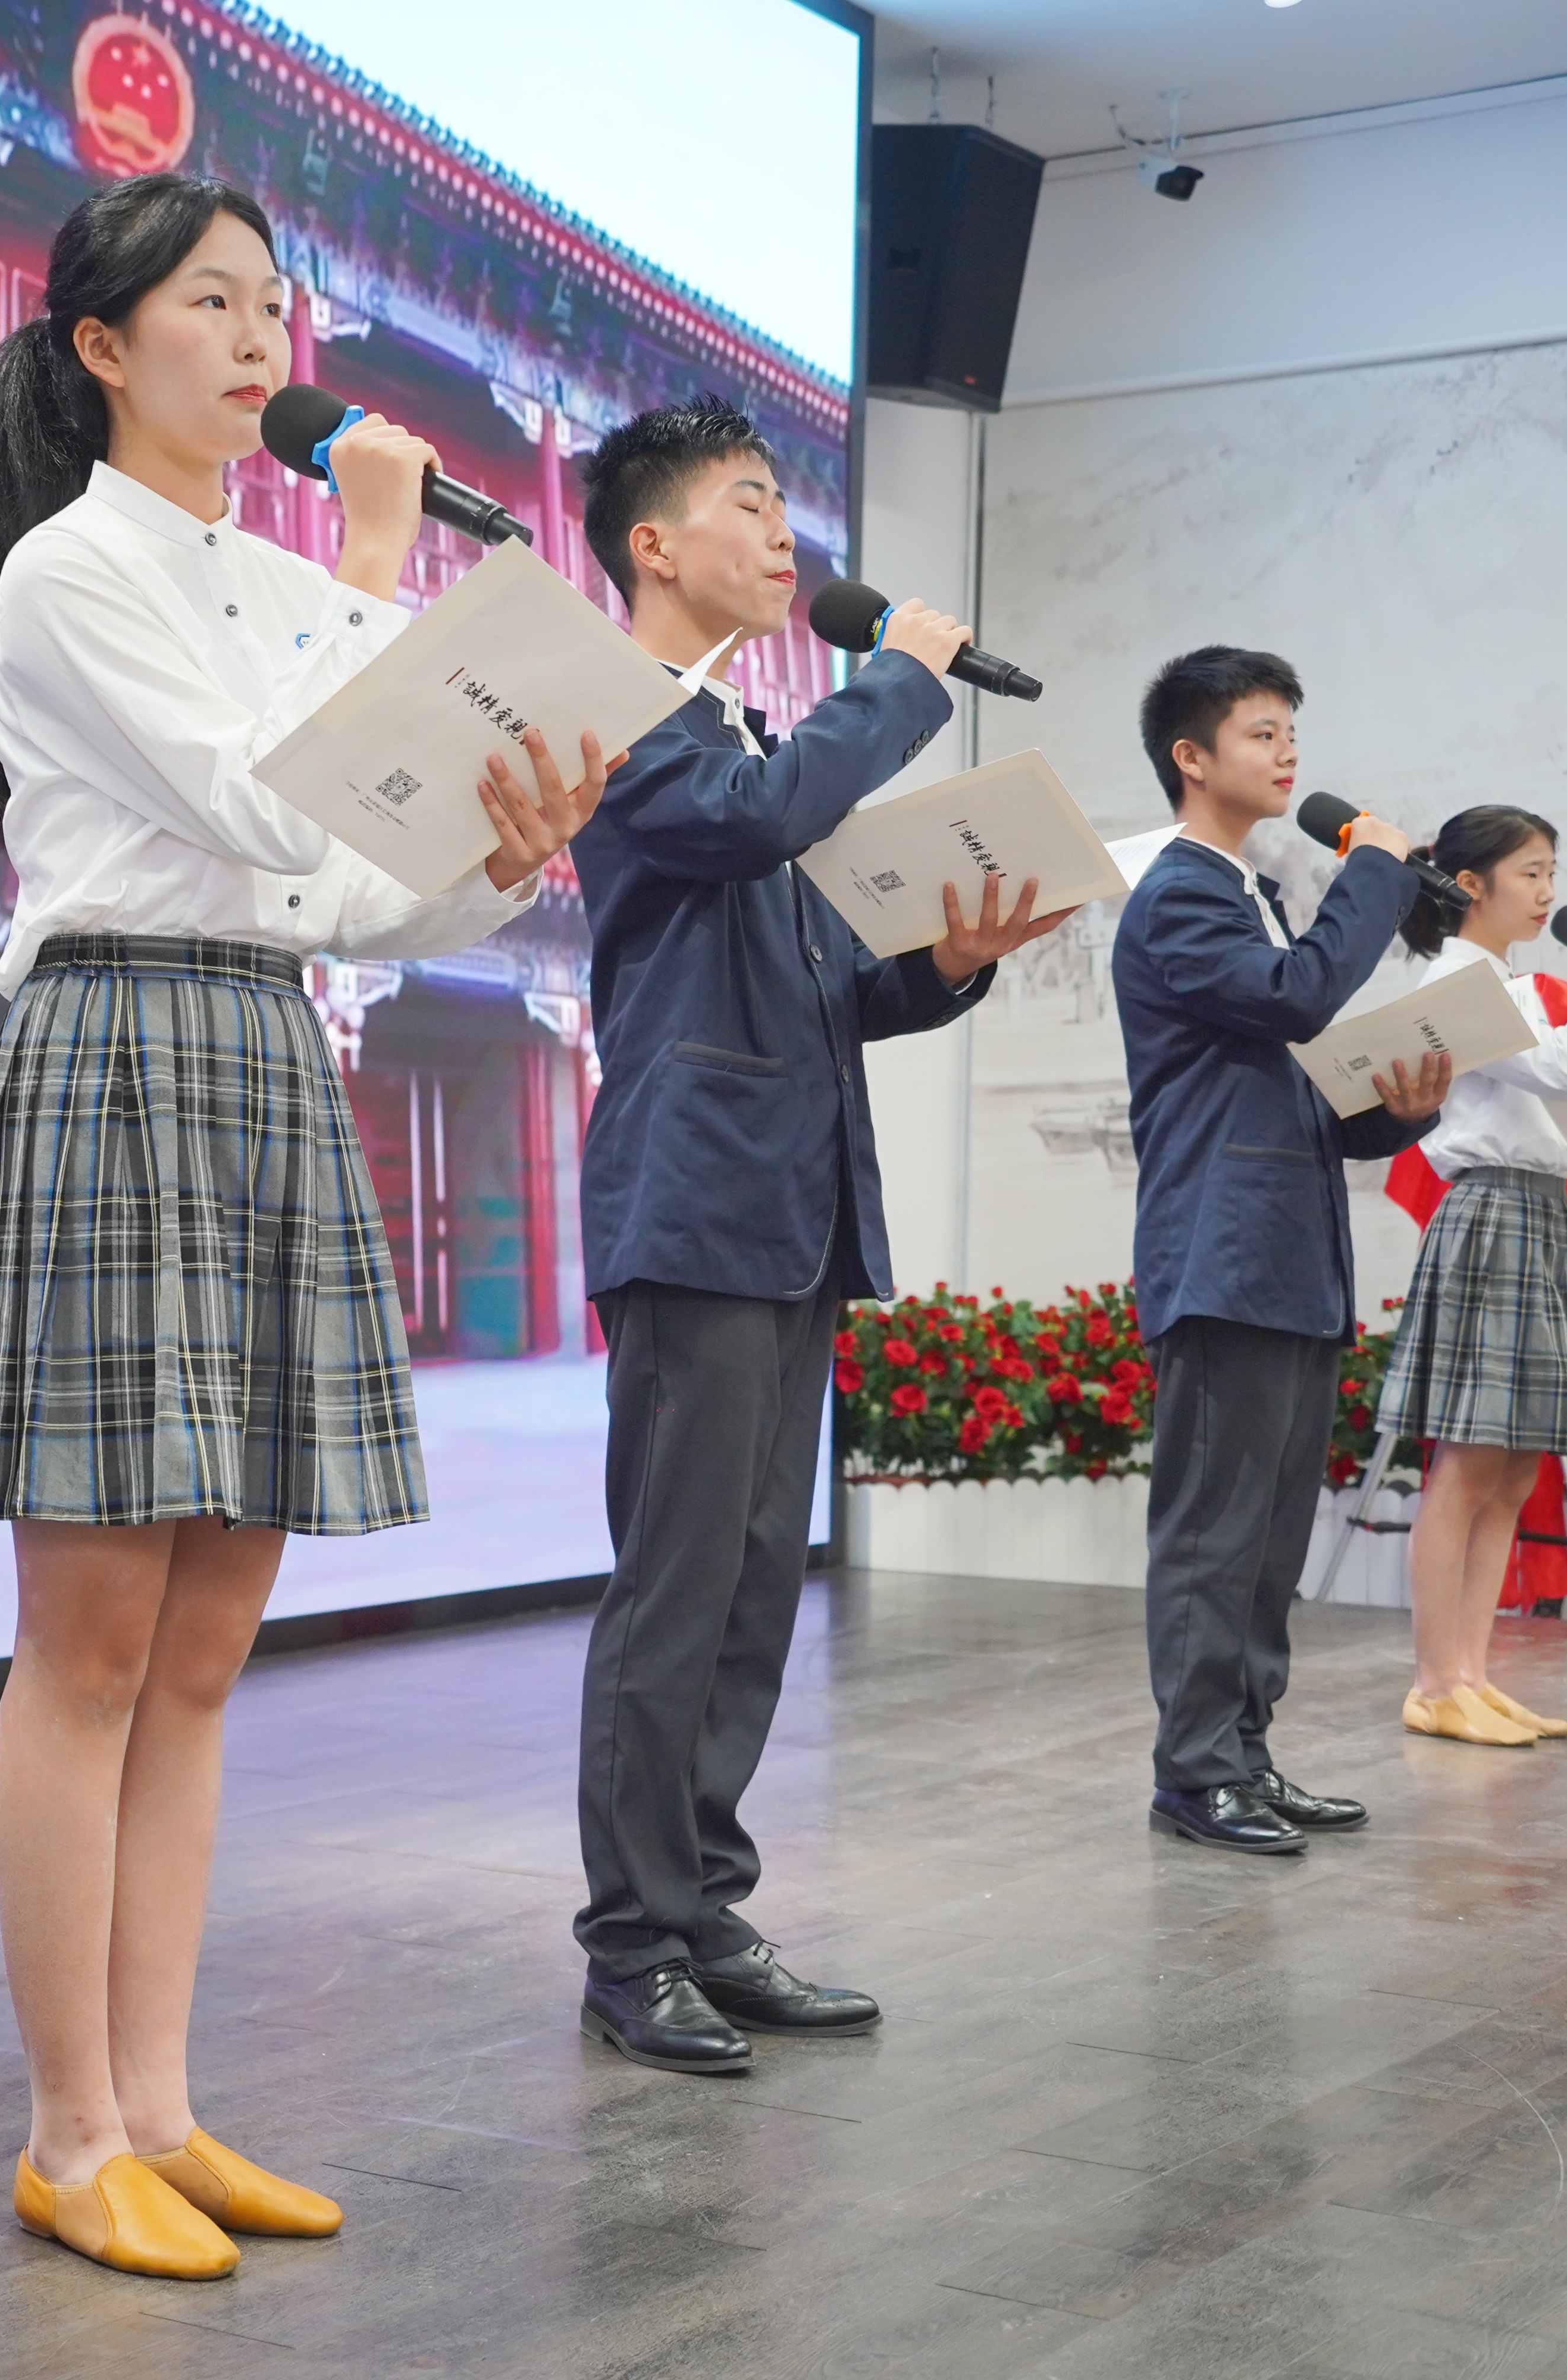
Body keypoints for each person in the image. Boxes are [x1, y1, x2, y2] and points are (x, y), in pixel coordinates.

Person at [0, 173, 604, 2279]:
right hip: (121, 1043)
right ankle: (66, 2135)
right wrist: (384, 574)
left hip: (262, 1048)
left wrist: (508, 857)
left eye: (275, 309)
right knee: (93, 1645)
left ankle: (162, 2109)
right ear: (102, 346)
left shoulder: (276, 584)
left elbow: (343, 891)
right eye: (213, 306)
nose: (259, 343)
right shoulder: (71, 570)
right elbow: (253, 793)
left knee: (205, 1658)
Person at [568, 394, 1071, 2074]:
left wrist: (946, 964)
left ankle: (706, 1909)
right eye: (751, 501)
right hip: (694, 1203)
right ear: (654, 544)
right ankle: (631, 1946)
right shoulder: (628, 717)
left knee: (752, 1592)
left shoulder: (744, 745)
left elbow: (830, 987)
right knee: (675, 1589)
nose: (787, 535)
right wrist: (906, 680)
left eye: (785, 505)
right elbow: (755, 822)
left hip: (791, 1210)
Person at [1112, 647, 1452, 1857]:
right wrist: (1377, 870)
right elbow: (1300, 999)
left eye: (1290, 732)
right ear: (1191, 759)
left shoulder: (1250, 895)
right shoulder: (1182, 893)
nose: (1287, 752)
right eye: (1262, 733)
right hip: (1225, 1253)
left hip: (1288, 1256)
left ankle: (1244, 1754)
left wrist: (1400, 1112)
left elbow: (1294, 1082)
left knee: (1267, 1541)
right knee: (1216, 1533)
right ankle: (1196, 1771)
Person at [1372, 804, 1567, 1746]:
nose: (1548, 894)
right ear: (1472, 885)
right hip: (1491, 1217)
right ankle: (1434, 1683)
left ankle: (1471, 1674)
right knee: (1466, 1467)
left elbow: (1543, 1129)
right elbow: (1565, 1073)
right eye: (1531, 873)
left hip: (1535, 1206)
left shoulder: (1508, 984)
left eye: (1552, 874)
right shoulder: (1458, 978)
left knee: (1512, 1468)